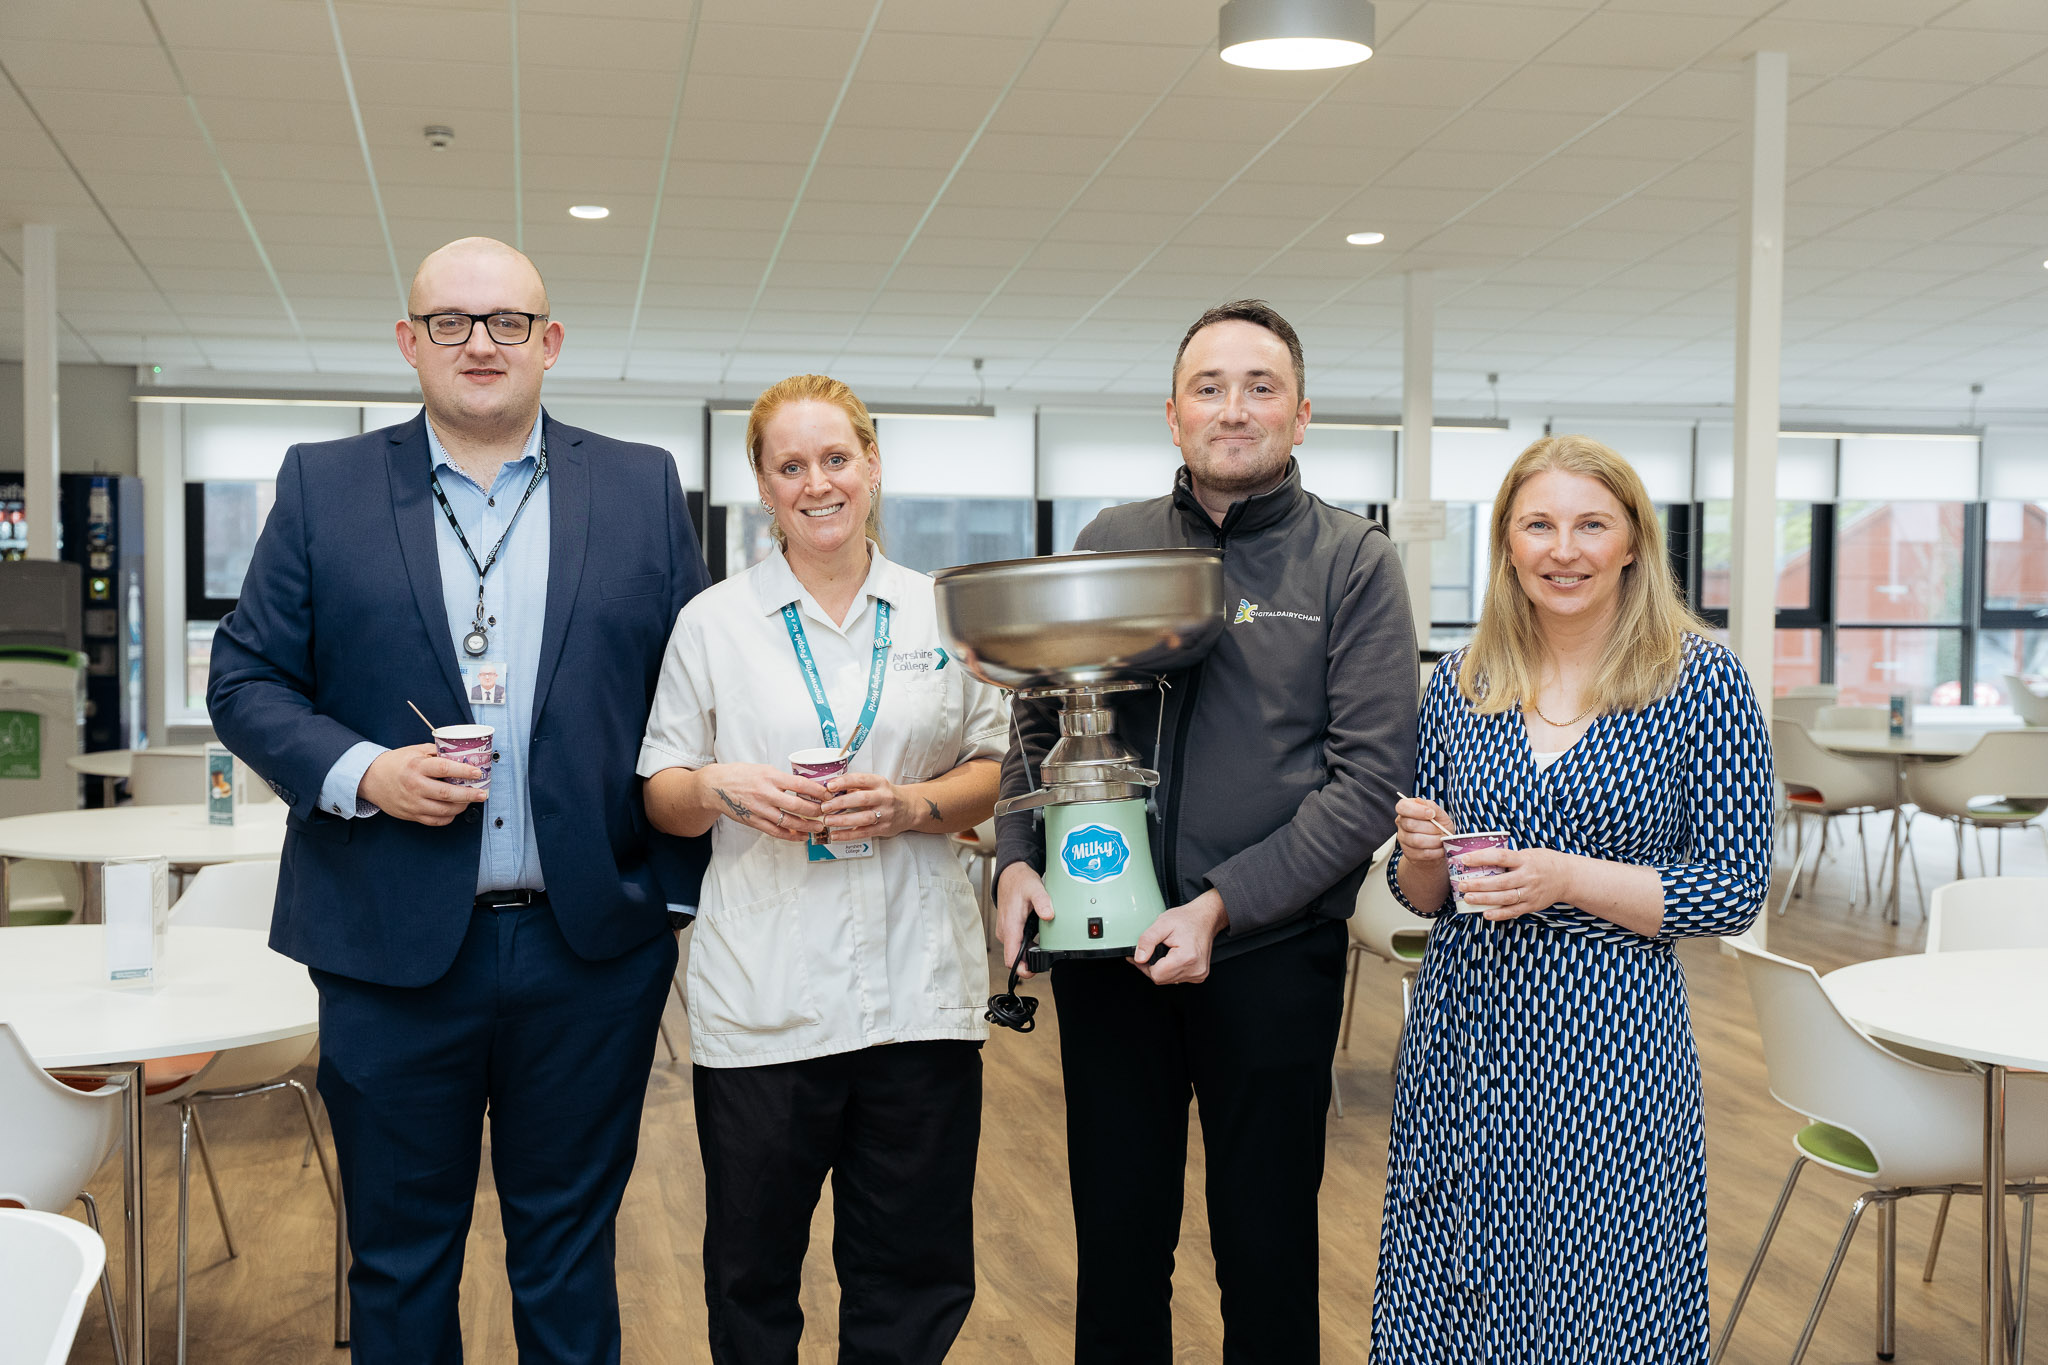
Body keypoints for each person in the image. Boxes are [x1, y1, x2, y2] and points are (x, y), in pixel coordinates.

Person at [207, 236, 711, 1365]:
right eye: (450, 322)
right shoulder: (323, 484)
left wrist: (670, 896)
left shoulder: (638, 485)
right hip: (387, 950)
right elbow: (243, 680)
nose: (480, 343)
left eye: (507, 322)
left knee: (569, 1258)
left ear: (550, 342)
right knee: (398, 1264)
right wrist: (364, 772)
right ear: (409, 341)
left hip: (591, 952)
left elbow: (693, 690)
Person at [994, 300, 1418, 1362]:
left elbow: (1368, 780)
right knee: (1118, 1250)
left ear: (1301, 414)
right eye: (1210, 387)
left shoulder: (1352, 561)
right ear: (1173, 414)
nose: (1235, 408)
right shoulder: (1113, 540)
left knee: (1266, 1257)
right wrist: (1016, 861)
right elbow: (1039, 718)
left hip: (1270, 956)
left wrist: (1221, 907)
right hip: (1108, 953)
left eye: (1261, 387)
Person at [1374, 435, 1772, 1363]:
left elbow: (1733, 890)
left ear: (1633, 543)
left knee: (1604, 1278)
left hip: (1611, 1041)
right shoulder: (1463, 682)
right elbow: (1421, 893)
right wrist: (1421, 853)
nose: (1564, 549)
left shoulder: (1700, 682)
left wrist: (1566, 877)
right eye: (1538, 525)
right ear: (1507, 544)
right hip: (1467, 1029)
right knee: (1454, 1274)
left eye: (1591, 525)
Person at [639, 374, 1007, 1364]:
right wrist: (717, 786)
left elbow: (996, 767)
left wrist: (911, 806)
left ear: (872, 466)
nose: (817, 483)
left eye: (836, 458)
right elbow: (660, 788)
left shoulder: (942, 613)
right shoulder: (712, 622)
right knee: (751, 1275)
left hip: (919, 993)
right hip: (766, 998)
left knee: (914, 1274)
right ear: (763, 485)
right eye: (790, 465)